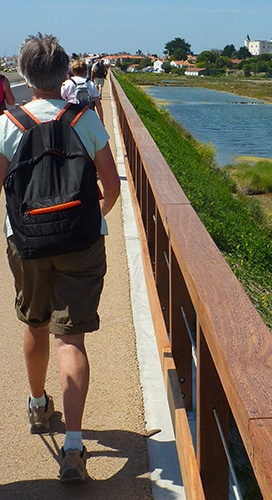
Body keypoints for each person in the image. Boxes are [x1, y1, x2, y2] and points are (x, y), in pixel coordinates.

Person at [0, 33, 120, 482]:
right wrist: (92, 219)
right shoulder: (83, 119)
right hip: (82, 243)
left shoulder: (8, 123)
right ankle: (73, 445)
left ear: (26, 75)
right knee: (71, 339)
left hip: (27, 243)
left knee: (34, 324)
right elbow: (111, 186)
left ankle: (37, 406)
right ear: (65, 73)